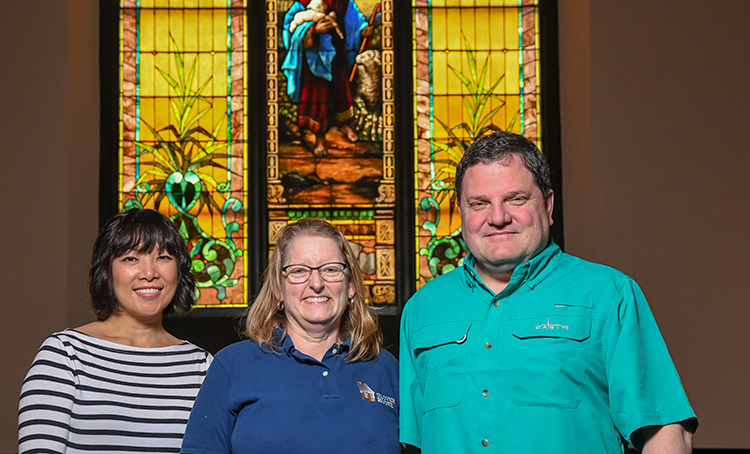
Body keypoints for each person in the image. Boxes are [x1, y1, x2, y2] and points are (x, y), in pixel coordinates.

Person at [399, 131, 698, 453]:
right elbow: (411, 443)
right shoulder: (422, 309)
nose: (498, 218)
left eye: (516, 199)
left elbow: (664, 429)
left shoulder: (608, 295)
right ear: (461, 213)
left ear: (548, 204)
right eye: (479, 204)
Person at [180, 219, 399, 454]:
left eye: (331, 269)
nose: (317, 283)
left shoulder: (385, 367)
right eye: (299, 271)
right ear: (277, 290)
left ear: (351, 285)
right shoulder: (232, 366)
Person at [18, 209, 212, 454]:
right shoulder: (65, 355)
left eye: (163, 257)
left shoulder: (201, 365)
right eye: (131, 258)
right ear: (107, 271)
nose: (149, 273)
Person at [281, 0, 373, 157]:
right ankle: (319, 138)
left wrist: (364, 28)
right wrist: (312, 29)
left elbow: (356, 19)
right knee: (317, 97)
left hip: (337, 56)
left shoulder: (342, 1)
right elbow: (290, 24)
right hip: (312, 59)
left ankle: (345, 125)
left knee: (341, 92)